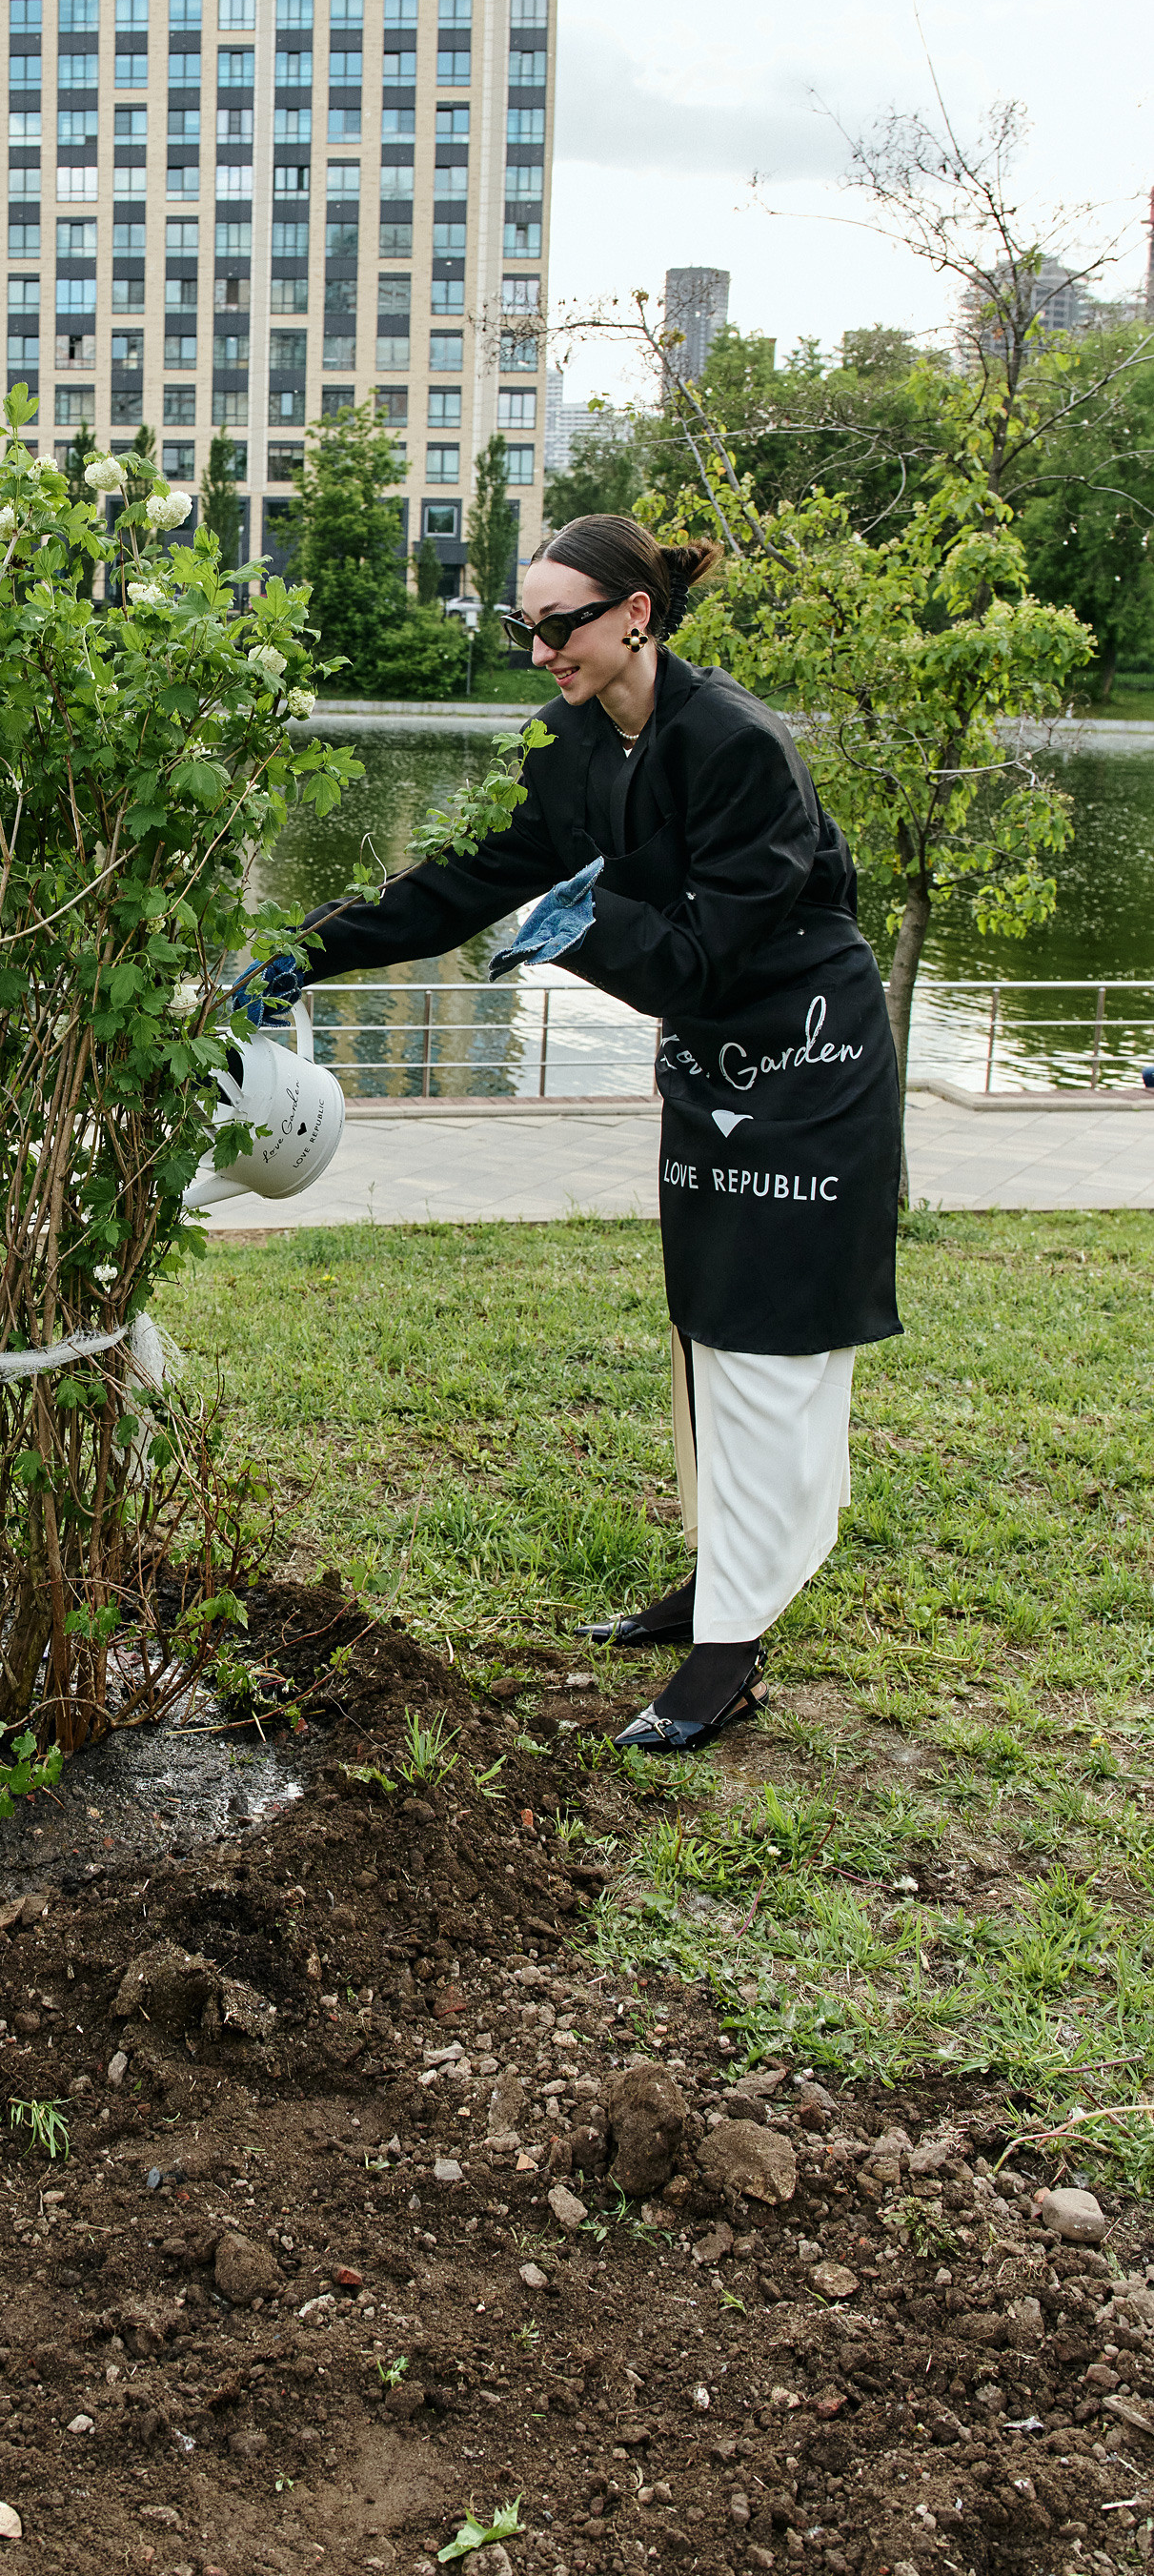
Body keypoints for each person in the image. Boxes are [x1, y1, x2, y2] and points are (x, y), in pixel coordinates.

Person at [265, 511, 900, 1757]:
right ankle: (724, 1579)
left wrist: (577, 920)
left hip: (808, 1055)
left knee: (768, 1341)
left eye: (558, 624)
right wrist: (304, 953)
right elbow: (459, 881)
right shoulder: (560, 748)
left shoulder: (737, 748)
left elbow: (702, 958)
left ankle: (730, 1657)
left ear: (633, 617)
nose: (540, 648)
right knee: (704, 1325)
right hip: (716, 1053)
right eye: (525, 627)